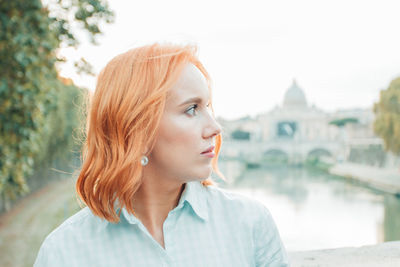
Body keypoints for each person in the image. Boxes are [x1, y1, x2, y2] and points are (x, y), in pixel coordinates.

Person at [34, 43, 290, 267]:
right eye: (191, 109)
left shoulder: (251, 224)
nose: (215, 127)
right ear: (137, 130)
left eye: (208, 107)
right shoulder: (64, 252)